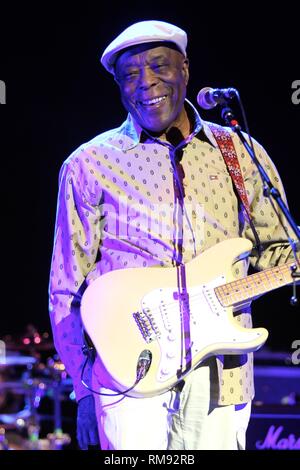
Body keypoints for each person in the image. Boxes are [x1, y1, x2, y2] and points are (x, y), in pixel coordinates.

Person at [48, 20, 297, 450]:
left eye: (159, 66)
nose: (146, 83)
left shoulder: (239, 152)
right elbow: (66, 288)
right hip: (128, 374)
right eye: (130, 75)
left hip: (222, 372)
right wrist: (84, 387)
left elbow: (278, 247)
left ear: (185, 69)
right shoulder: (88, 164)